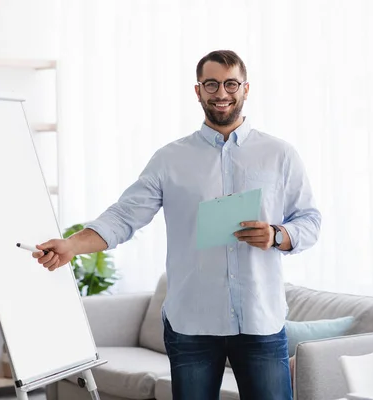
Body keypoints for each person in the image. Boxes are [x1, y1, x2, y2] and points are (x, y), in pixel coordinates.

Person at [33, 50, 321, 400]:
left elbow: (309, 220)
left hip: (261, 321)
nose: (221, 93)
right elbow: (124, 216)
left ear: (246, 88)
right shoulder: (170, 159)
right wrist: (72, 245)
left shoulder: (280, 155)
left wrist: (278, 235)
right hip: (192, 325)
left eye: (230, 83)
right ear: (198, 91)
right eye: (211, 84)